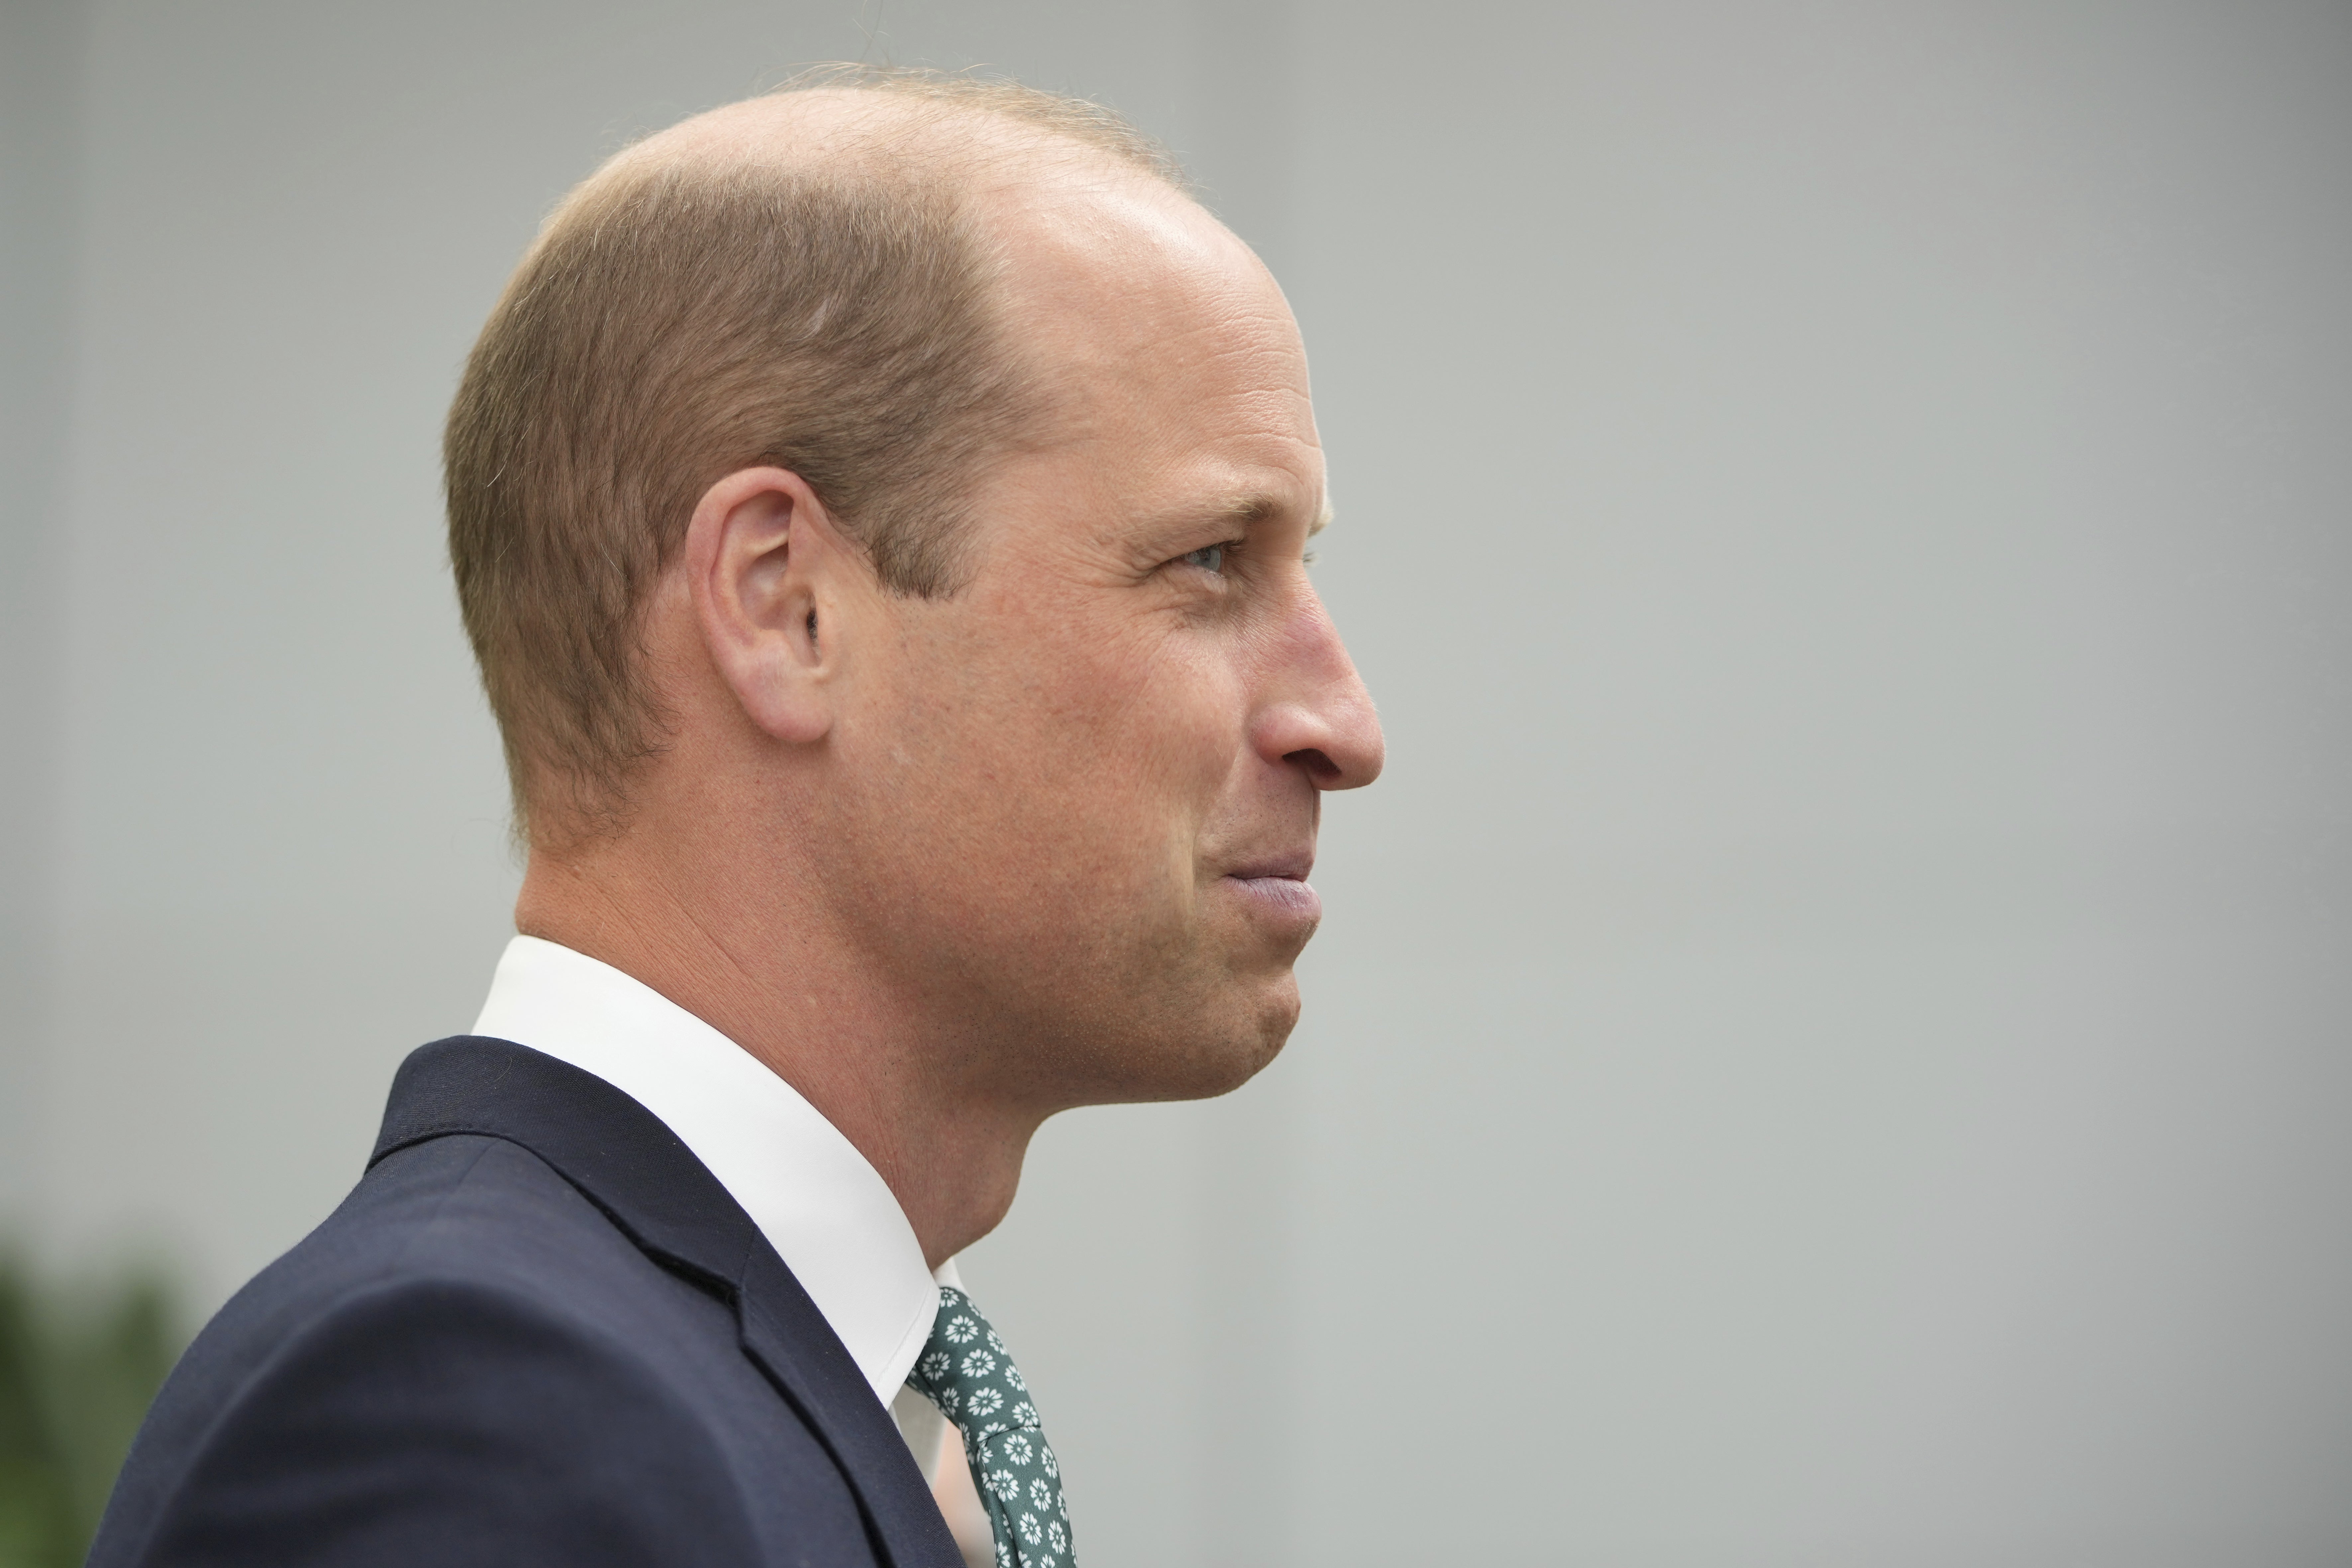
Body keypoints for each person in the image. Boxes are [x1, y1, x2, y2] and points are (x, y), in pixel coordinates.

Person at [88, 66, 1382, 1568]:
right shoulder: (466, 1417)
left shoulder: (733, 1395)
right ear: (785, 605)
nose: (1343, 725)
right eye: (1214, 558)